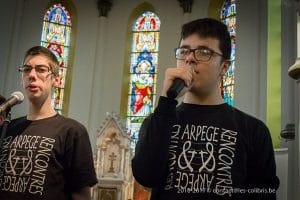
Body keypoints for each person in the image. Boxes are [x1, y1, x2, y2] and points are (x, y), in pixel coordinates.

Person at [131, 18, 280, 199]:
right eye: (184, 51)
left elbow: (263, 194)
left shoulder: (253, 130)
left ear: (224, 67)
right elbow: (146, 176)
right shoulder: (159, 121)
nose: (190, 58)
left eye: (203, 52)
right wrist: (166, 102)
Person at [0, 46, 97, 200]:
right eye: (26, 69)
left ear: (56, 79)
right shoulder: (8, 127)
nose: (32, 75)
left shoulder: (72, 131)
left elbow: (81, 195)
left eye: (41, 69)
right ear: (21, 78)